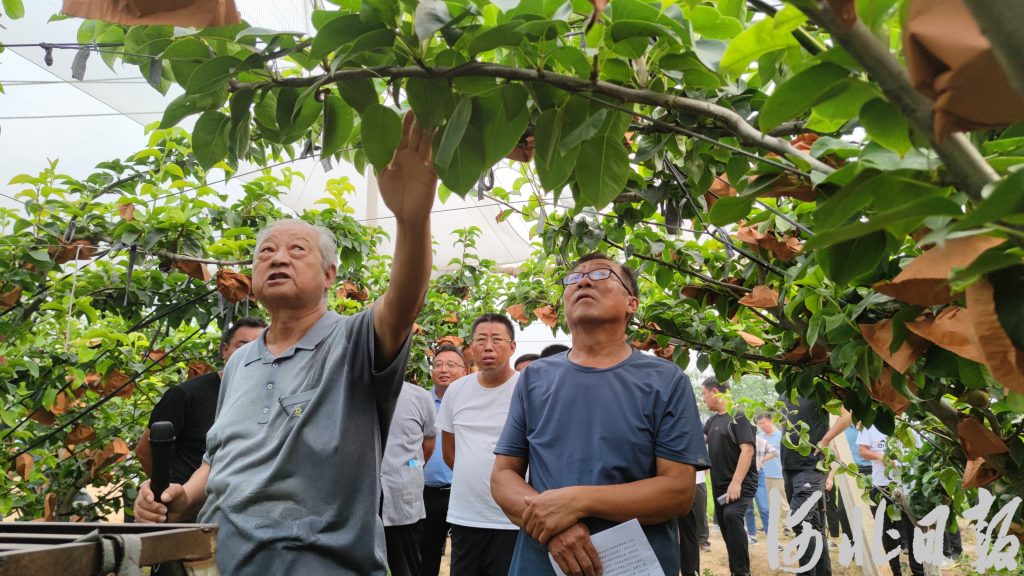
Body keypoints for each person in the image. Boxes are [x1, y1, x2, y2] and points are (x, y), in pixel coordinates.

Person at [134, 112, 438, 576]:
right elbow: (219, 458)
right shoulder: (240, 364)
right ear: (252, 278)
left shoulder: (354, 339)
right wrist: (181, 498)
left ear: (330, 274)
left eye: (298, 250)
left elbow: (403, 303)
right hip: (223, 564)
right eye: (265, 252)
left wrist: (413, 221)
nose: (278, 257)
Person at [492, 253, 709, 576]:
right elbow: (503, 476)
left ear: (631, 304)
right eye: (574, 278)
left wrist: (579, 501)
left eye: (601, 275)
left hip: (633, 565)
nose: (583, 281)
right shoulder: (534, 378)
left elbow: (677, 492)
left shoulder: (666, 381)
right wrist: (555, 527)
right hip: (542, 563)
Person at [135, 317, 266, 516]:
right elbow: (145, 450)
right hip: (185, 512)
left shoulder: (265, 397)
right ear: (224, 350)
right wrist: (166, 494)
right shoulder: (186, 394)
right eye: (242, 344)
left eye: (259, 345)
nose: (250, 351)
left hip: (235, 513)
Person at [437, 314, 521, 576]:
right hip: (466, 515)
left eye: (497, 339)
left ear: (512, 347)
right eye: (481, 340)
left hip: (512, 518)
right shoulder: (456, 391)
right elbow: (450, 453)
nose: (488, 346)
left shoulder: (526, 388)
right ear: (471, 348)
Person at [778, 395, 852, 576]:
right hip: (789, 467)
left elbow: (846, 416)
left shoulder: (816, 388)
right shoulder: (784, 394)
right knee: (814, 525)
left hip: (811, 467)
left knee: (800, 520)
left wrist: (825, 440)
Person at [701, 377, 757, 576]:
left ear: (715, 391)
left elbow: (747, 451)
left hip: (740, 484)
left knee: (732, 516)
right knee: (726, 528)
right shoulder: (711, 421)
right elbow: (699, 444)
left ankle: (742, 572)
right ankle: (736, 570)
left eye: (704, 394)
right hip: (719, 486)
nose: (703, 399)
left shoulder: (738, 417)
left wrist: (736, 482)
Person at [382, 382, 437, 576]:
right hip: (359, 501)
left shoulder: (420, 397)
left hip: (402, 499)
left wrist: (410, 467)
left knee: (405, 567)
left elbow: (428, 441)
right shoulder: (349, 391)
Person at [421, 344, 467, 576]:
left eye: (451, 365)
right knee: (426, 555)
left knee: (464, 555)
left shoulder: (470, 402)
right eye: (438, 365)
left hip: (462, 492)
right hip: (427, 493)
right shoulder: (421, 401)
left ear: (465, 370)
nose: (443, 369)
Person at [857, 426, 925, 576]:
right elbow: (862, 451)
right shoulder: (871, 425)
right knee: (888, 531)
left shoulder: (909, 424)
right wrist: (882, 457)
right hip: (882, 486)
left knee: (913, 530)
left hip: (908, 486)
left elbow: (921, 451)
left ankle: (918, 571)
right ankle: (895, 571)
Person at [756, 413, 788, 529]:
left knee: (783, 502)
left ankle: (787, 526)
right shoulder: (760, 437)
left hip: (778, 473)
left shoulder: (781, 436)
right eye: (759, 424)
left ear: (771, 421)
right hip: (763, 474)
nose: (761, 426)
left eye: (763, 423)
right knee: (766, 502)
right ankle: (769, 525)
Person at [745, 433, 776, 543]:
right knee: (748, 509)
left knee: (764, 508)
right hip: (743, 475)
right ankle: (752, 535)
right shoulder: (740, 439)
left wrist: (761, 459)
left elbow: (774, 452)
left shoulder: (760, 441)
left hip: (758, 473)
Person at [678, 468, 709, 575]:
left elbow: (706, 466)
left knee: (700, 517)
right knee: (686, 529)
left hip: (698, 483)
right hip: (680, 486)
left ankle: (703, 540)